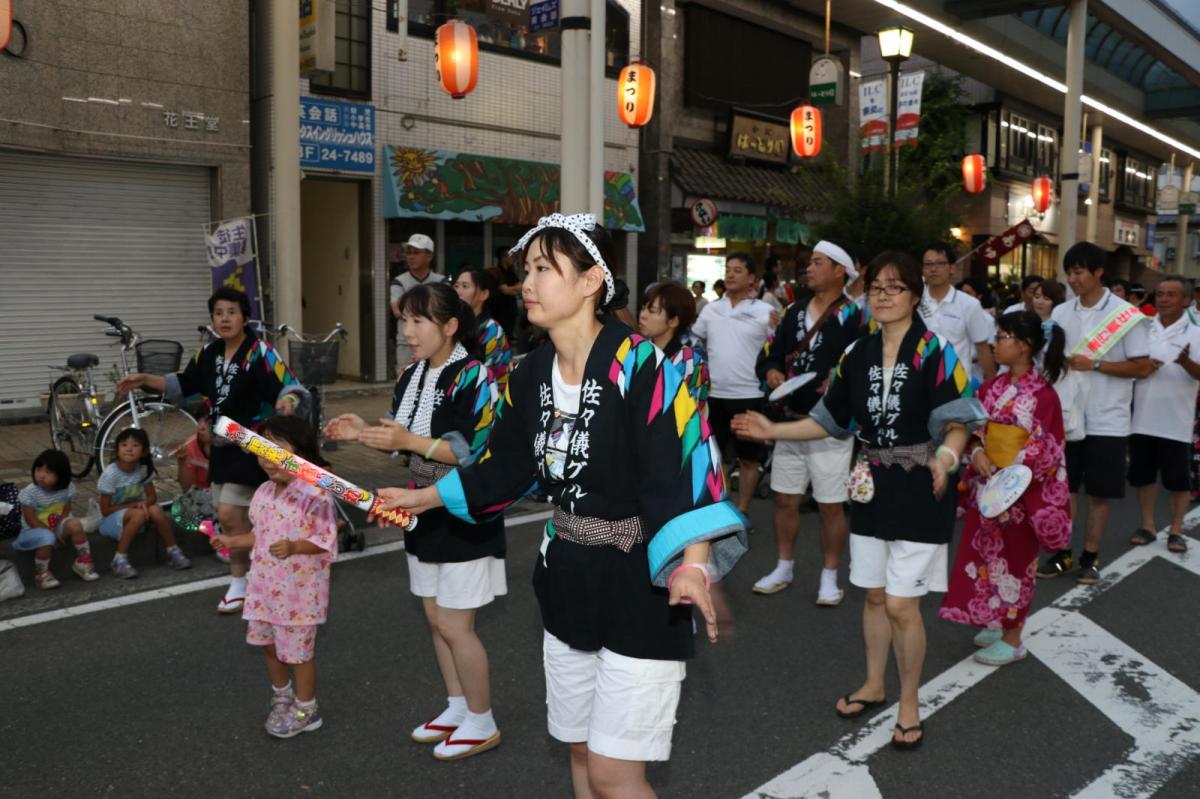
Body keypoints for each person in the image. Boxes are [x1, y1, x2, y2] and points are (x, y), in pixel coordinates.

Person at [372, 212, 747, 794]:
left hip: (640, 582)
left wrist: (694, 563)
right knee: (577, 749)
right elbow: (499, 467)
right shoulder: (529, 374)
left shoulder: (642, 364)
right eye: (526, 269)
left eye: (545, 269)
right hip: (567, 573)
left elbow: (690, 462)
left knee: (613, 770)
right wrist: (418, 497)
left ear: (592, 280)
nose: (528, 283)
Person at [733, 250, 983, 751]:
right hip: (871, 483)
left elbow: (958, 422)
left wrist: (947, 461)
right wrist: (772, 427)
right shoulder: (857, 355)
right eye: (876, 288)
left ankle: (909, 702)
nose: (884, 296)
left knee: (900, 604)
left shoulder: (935, 351)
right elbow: (829, 421)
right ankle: (874, 682)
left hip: (922, 486)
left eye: (896, 288)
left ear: (915, 296)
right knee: (872, 594)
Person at [327, 282, 505, 761]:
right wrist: (361, 432)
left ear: (450, 326)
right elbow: (398, 437)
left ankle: (482, 719)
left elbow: (480, 453)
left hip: (462, 509)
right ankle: (457, 706)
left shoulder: (477, 377)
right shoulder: (412, 376)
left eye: (418, 321)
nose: (407, 331)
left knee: (455, 624)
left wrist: (408, 442)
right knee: (434, 618)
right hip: (416, 506)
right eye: (404, 320)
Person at [117, 287, 307, 611]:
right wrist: (143, 378)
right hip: (223, 446)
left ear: (245, 316)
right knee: (234, 516)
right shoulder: (207, 353)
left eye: (232, 312)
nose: (225, 318)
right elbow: (182, 382)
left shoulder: (261, 352)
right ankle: (248, 577)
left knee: (246, 515)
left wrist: (287, 402)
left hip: (258, 448)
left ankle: (255, 578)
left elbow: (290, 385)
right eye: (219, 313)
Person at [939, 311, 1071, 666]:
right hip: (988, 485)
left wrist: (1012, 471)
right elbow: (975, 427)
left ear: (1024, 346)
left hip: (1018, 492)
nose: (995, 344)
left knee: (1015, 563)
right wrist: (978, 451)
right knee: (985, 557)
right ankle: (997, 621)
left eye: (1002, 338)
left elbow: (1047, 447)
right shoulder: (991, 387)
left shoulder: (1043, 395)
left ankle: (1014, 639)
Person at [753, 241, 866, 604]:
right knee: (785, 499)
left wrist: (838, 378)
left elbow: (863, 367)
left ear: (839, 272)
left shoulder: (856, 317)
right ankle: (783, 565)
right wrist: (771, 372)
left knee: (831, 504)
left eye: (818, 263)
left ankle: (830, 574)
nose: (809, 269)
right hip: (789, 420)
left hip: (830, 426)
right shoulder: (792, 312)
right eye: (810, 263)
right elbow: (768, 354)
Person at [211, 416, 337, 739]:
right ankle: (282, 696)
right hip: (264, 589)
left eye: (277, 449)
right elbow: (260, 536)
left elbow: (326, 541)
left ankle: (307, 709)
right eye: (262, 450)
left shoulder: (316, 493)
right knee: (269, 647)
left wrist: (295, 545)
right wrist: (231, 541)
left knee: (298, 654)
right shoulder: (264, 491)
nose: (268, 458)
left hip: (299, 595)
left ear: (302, 452)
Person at [1038, 242, 1153, 584]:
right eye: (1069, 272)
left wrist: (1097, 364)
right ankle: (1063, 552)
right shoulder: (1060, 313)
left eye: (1079, 272)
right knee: (1065, 488)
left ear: (1098, 272)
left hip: (1108, 418)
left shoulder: (1125, 315)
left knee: (1099, 492)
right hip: (1067, 416)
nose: (1073, 279)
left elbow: (1143, 366)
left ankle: (1090, 556)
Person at [692, 252, 776, 513]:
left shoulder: (766, 312)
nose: (730, 274)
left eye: (738, 270)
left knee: (748, 459)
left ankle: (743, 509)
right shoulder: (712, 309)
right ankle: (723, 510)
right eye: (728, 269)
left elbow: (778, 349)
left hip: (749, 395)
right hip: (714, 396)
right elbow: (694, 342)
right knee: (713, 457)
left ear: (752, 278)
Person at [1127, 276, 1200, 554]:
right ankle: (1147, 525)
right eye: (1160, 294)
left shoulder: (1196, 334)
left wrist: (1186, 362)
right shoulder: (1142, 329)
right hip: (1142, 418)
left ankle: (1177, 529)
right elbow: (1130, 366)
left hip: (1176, 421)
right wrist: (1143, 366)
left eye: (1171, 295)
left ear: (1186, 301)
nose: (1164, 299)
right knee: (1143, 476)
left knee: (1178, 481)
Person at [97, 428, 191, 578]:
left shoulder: (143, 470)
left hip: (137, 515)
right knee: (139, 514)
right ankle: (119, 559)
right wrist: (135, 506)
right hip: (111, 522)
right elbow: (105, 510)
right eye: (124, 444)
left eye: (135, 445)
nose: (129, 448)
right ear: (116, 450)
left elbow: (152, 497)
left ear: (145, 452)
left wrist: (143, 503)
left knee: (156, 510)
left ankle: (172, 550)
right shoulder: (110, 474)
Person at [12, 450, 98, 588]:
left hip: (54, 528)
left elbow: (65, 510)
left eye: (48, 472)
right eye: (39, 469)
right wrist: (51, 533)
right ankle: (42, 575)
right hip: (31, 532)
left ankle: (83, 562)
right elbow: (31, 520)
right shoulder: (30, 492)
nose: (41, 475)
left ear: (61, 475)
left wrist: (60, 527)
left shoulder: (67, 488)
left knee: (75, 524)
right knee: (46, 537)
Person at [920, 243, 996, 383]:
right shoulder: (913, 302)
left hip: (956, 385)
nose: (933, 269)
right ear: (922, 269)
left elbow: (982, 348)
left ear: (952, 268)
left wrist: (991, 385)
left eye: (940, 263)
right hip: (919, 382)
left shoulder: (969, 304)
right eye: (928, 264)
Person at [639, 281, 710, 415]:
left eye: (652, 311)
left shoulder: (689, 361)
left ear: (673, 321)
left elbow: (687, 415)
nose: (643, 315)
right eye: (643, 308)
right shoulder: (638, 350)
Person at [390, 234, 446, 373]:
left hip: (436, 342)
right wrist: (429, 308)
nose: (411, 257)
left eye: (416, 253)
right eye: (408, 253)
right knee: (405, 383)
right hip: (407, 343)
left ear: (429, 256)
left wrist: (410, 308)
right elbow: (397, 310)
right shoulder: (399, 281)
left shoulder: (441, 281)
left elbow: (445, 310)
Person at [455, 268, 513, 400]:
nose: (458, 291)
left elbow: (488, 375)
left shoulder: (491, 329)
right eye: (456, 286)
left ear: (484, 294)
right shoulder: (452, 325)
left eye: (465, 286)